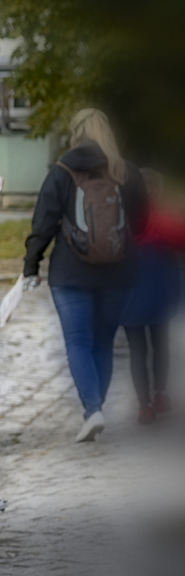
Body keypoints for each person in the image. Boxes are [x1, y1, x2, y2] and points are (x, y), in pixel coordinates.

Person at [23, 108, 146, 442]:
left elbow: (44, 223)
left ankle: (93, 410)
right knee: (103, 341)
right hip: (119, 274)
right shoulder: (127, 172)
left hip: (70, 273)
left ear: (75, 133)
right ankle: (96, 408)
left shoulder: (62, 171)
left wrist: (31, 265)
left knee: (78, 341)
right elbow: (141, 221)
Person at [121, 169, 185, 423]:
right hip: (160, 293)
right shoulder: (162, 218)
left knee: (137, 350)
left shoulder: (121, 218)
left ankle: (144, 404)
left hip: (129, 296)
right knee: (160, 345)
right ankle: (160, 394)